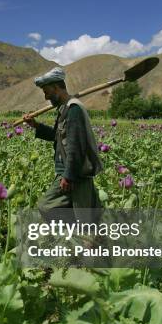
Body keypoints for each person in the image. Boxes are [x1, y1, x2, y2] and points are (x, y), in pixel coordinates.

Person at [23, 67, 104, 222]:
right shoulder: (64, 109)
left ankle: (89, 236)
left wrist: (69, 176)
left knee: (79, 217)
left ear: (56, 88)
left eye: (47, 92)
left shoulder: (73, 110)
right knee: (83, 216)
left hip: (77, 173)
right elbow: (57, 136)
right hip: (70, 171)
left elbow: (76, 147)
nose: (46, 97)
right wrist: (35, 125)